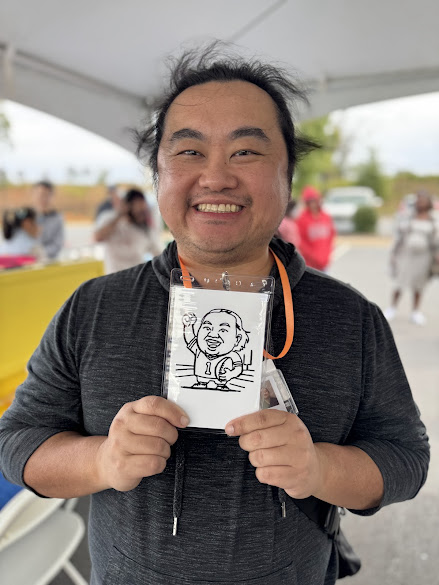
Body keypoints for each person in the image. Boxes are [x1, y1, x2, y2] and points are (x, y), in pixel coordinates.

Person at [0, 46, 429, 585]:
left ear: (288, 175)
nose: (216, 177)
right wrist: (102, 460)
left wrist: (320, 468)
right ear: (158, 174)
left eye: (246, 151)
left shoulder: (352, 319)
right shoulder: (94, 309)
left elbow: (405, 459)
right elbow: (18, 443)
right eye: (189, 151)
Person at [384, 190, 439, 325]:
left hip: (424, 257)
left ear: (428, 203)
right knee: (399, 283)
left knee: (419, 285)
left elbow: (436, 240)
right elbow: (398, 236)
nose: (420, 203)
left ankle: (415, 312)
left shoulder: (433, 219)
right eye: (418, 200)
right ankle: (392, 308)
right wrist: (393, 254)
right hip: (405, 255)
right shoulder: (408, 216)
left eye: (423, 200)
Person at [94, 187, 163, 273]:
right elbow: (98, 237)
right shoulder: (110, 219)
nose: (142, 216)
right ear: (127, 207)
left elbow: (157, 253)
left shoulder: (145, 230)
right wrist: (119, 215)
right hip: (114, 278)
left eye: (144, 211)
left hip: (137, 278)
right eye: (139, 212)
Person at [294, 185, 336, 271]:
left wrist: (327, 254)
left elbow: (331, 236)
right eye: (309, 201)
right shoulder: (301, 219)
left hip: (324, 263)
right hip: (310, 264)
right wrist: (313, 257)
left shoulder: (326, 217)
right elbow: (300, 241)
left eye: (314, 200)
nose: (312, 204)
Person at [32, 180, 64, 259]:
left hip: (49, 261)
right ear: (34, 195)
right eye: (39, 194)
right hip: (27, 260)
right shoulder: (27, 217)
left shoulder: (57, 218)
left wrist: (41, 253)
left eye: (46, 195)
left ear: (52, 196)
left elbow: (57, 245)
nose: (42, 198)